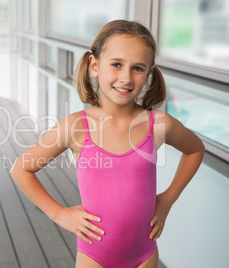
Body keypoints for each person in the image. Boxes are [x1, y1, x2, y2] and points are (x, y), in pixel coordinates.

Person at [10, 20, 205, 268]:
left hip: (145, 256)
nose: (125, 77)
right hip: (94, 258)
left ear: (148, 74)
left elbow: (195, 149)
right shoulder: (76, 127)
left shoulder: (158, 125)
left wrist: (167, 199)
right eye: (116, 64)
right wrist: (58, 213)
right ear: (94, 65)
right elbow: (22, 168)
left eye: (137, 68)